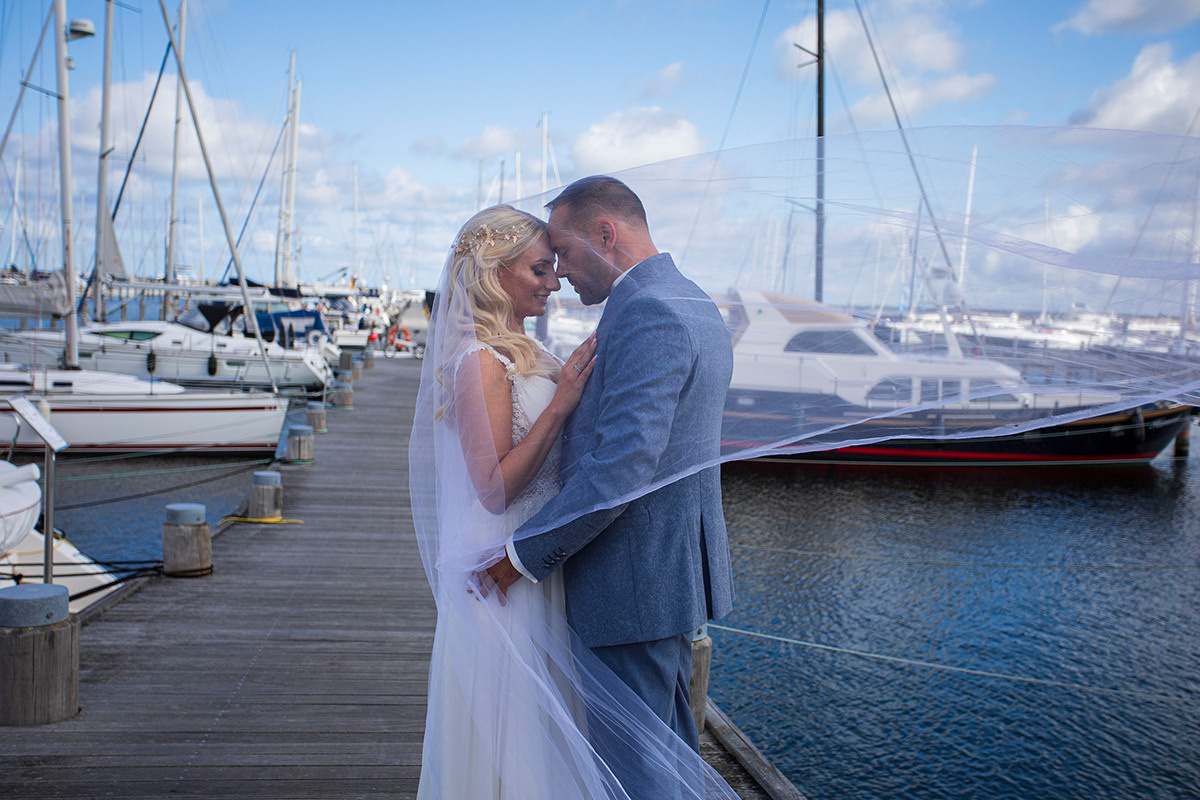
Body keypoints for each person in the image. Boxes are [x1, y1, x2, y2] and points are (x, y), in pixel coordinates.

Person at [411, 198, 741, 800]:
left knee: (637, 761)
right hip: (557, 568)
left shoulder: (645, 314)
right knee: (625, 752)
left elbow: (622, 464)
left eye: (557, 257)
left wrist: (524, 558)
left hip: (593, 572)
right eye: (541, 266)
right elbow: (498, 484)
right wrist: (561, 404)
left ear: (606, 233)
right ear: (495, 273)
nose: (558, 276)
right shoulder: (686, 299)